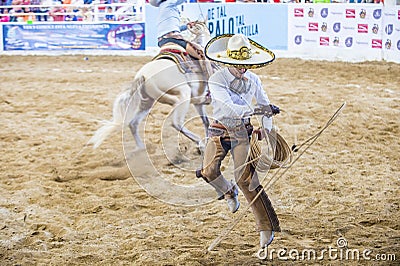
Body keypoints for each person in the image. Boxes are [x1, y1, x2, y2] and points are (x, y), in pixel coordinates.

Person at [197, 34, 281, 249]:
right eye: (238, 65)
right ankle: (228, 191)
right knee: (208, 171)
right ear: (227, 62)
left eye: (246, 65)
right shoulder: (217, 79)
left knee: (246, 179)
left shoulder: (254, 80)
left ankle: (266, 226)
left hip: (243, 131)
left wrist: (267, 129)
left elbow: (265, 105)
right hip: (219, 128)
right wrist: (258, 110)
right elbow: (228, 107)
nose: (243, 68)